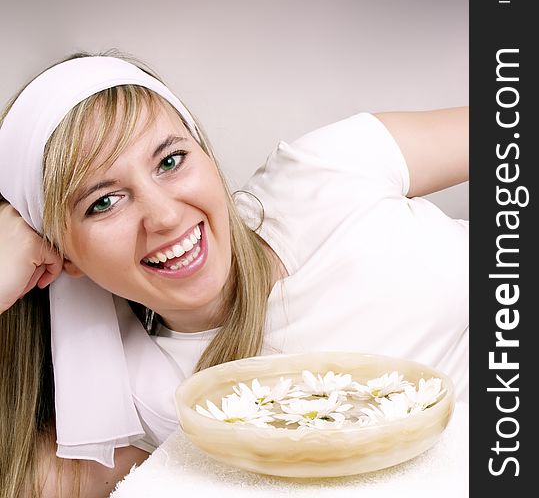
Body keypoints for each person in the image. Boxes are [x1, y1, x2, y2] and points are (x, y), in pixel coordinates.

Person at [0, 53, 468, 498]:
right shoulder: (141, 412)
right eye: (103, 202)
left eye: (170, 161)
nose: (162, 216)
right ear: (65, 256)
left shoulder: (322, 170)